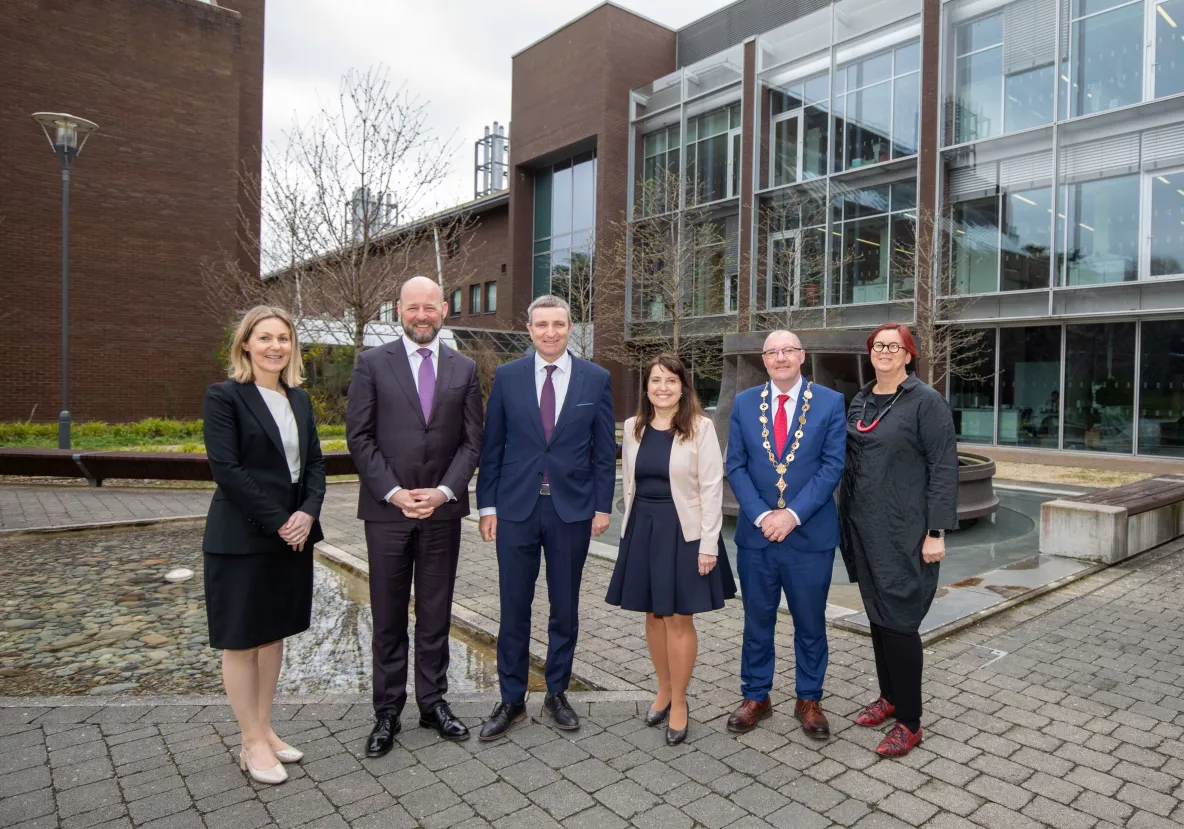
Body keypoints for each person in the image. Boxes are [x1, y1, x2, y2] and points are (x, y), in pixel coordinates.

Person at [345, 276, 483, 757]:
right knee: (387, 614)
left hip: (442, 515)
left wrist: (445, 492)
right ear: (398, 311)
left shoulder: (464, 368)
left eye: (429, 307)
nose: (421, 315)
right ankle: (387, 711)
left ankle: (432, 703)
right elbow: (358, 438)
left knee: (435, 613)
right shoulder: (370, 365)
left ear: (443, 310)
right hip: (387, 514)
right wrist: (396, 493)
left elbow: (472, 441)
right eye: (412, 308)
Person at [475, 294, 616, 740]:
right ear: (530, 329)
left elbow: (604, 451)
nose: (550, 332)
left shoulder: (595, 379)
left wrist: (601, 505)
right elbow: (491, 446)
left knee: (565, 607)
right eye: (541, 325)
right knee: (513, 607)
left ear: (570, 327)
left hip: (570, 511)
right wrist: (487, 506)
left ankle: (557, 692)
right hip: (515, 510)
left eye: (558, 324)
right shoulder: (507, 376)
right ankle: (511, 700)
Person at [202, 305, 325, 785]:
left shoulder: (299, 401)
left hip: (292, 535)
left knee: (273, 635)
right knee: (241, 641)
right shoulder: (224, 397)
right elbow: (227, 470)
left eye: (284, 338)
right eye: (265, 337)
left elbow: (314, 465)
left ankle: (266, 729)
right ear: (246, 345)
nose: (276, 346)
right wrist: (280, 521)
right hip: (242, 538)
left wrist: (308, 513)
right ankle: (250, 742)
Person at [839, 322, 957, 757]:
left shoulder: (927, 403)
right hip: (863, 528)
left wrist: (935, 532)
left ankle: (910, 720)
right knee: (877, 616)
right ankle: (889, 697)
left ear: (909, 354)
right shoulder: (862, 399)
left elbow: (944, 469)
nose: (885, 351)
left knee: (901, 622)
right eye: (878, 345)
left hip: (906, 530)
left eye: (894, 345)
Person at [606, 354, 735, 746]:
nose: (663, 387)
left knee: (679, 618)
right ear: (647, 386)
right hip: (643, 529)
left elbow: (713, 488)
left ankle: (679, 702)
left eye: (671, 381)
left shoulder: (700, 427)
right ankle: (662, 689)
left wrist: (708, 544)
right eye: (656, 380)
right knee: (652, 613)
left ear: (683, 387)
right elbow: (629, 482)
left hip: (685, 532)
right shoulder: (632, 428)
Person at [725, 330, 846, 739]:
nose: (780, 357)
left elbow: (832, 466)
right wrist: (762, 516)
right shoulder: (744, 403)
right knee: (756, 620)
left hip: (809, 536)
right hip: (757, 537)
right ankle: (756, 695)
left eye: (788, 351)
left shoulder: (830, 402)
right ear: (764, 359)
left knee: (810, 622)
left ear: (802, 356)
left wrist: (792, 515)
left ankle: (808, 698)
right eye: (773, 352)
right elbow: (735, 466)